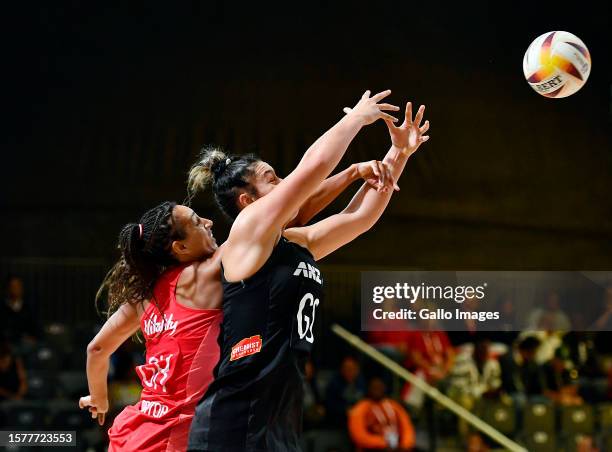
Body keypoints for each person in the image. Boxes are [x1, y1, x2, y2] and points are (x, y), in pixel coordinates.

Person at [187, 90, 430, 451]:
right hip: (234, 419)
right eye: (273, 178)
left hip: (279, 417)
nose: (286, 183)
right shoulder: (245, 233)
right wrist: (356, 118)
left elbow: (358, 218)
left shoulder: (294, 243)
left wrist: (399, 153)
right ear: (247, 201)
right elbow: (312, 170)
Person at [79, 201, 224, 452]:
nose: (209, 222)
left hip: (136, 431)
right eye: (198, 221)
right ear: (180, 246)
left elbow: (97, 349)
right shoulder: (205, 274)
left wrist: (99, 399)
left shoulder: (145, 295)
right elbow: (263, 224)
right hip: (175, 436)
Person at [348, 377, 415, 451]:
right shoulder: (361, 407)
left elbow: (407, 427)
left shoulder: (394, 405)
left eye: (380, 387)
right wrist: (382, 443)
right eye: (374, 388)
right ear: (369, 389)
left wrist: (405, 445)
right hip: (373, 448)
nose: (377, 390)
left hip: (397, 447)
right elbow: (359, 435)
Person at [325, 355, 367, 428]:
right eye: (346, 368)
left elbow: (365, 400)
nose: (349, 371)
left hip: (359, 416)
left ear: (357, 370)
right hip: (341, 418)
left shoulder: (361, 382)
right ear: (342, 369)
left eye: (352, 369)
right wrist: (345, 409)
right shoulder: (335, 383)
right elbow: (330, 404)